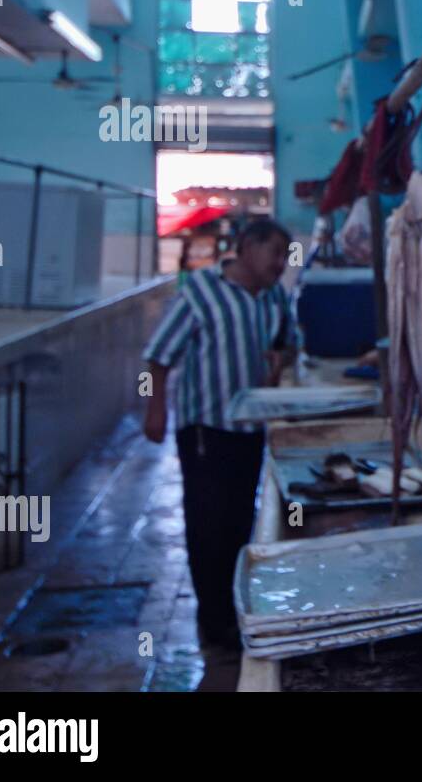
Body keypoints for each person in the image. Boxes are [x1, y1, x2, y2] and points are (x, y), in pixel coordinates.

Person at [141, 218, 299, 649]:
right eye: (276, 254)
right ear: (248, 247)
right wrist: (155, 409)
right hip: (205, 430)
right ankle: (214, 624)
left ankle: (232, 611)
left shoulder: (274, 297)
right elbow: (159, 356)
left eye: (286, 257)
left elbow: (289, 342)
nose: (281, 264)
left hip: (249, 430)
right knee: (207, 526)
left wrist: (280, 358)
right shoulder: (200, 291)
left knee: (238, 523)